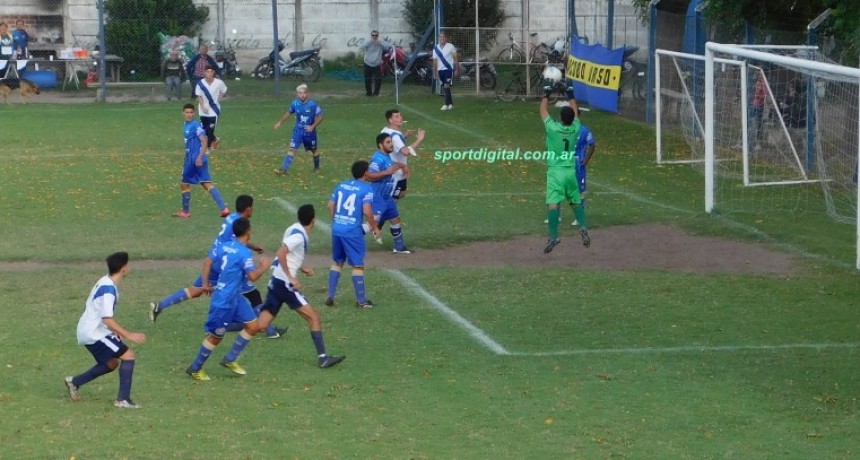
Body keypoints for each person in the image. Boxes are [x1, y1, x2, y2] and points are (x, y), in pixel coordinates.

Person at [150, 194, 285, 338]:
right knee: (254, 295)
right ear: (248, 209)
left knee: (196, 290)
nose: (253, 210)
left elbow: (235, 240)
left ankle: (160, 306)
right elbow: (237, 245)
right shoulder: (240, 222)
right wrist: (262, 265)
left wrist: (252, 246)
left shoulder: (232, 218)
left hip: (216, 259)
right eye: (252, 207)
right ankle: (270, 331)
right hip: (225, 264)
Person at [258, 204, 346, 368]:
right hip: (286, 284)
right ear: (313, 220)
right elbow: (281, 253)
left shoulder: (293, 229)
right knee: (314, 317)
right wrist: (291, 277)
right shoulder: (299, 236)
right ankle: (323, 358)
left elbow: (289, 254)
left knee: (261, 325)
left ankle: (230, 331)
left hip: (276, 281)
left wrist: (302, 267)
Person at [186, 218, 271, 380]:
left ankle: (230, 359)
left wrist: (204, 284)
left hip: (235, 298)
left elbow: (207, 262)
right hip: (223, 301)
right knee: (215, 337)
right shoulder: (244, 253)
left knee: (253, 327)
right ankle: (195, 368)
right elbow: (252, 276)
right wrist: (264, 266)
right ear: (248, 232)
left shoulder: (225, 246)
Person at [65, 252, 146, 409]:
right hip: (93, 332)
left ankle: (74, 382)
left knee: (111, 363)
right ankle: (122, 400)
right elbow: (106, 318)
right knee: (128, 356)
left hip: (90, 329)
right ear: (123, 269)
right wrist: (128, 334)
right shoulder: (108, 289)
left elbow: (101, 313)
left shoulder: (105, 281)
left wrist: (112, 331)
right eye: (127, 265)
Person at [540, 82, 590, 253]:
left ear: (560, 118)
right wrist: (570, 94)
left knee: (553, 204)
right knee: (575, 202)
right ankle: (582, 227)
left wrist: (546, 94)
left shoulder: (553, 129)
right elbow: (576, 113)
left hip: (555, 172)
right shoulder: (576, 128)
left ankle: (554, 237)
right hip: (570, 172)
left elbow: (543, 112)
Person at [325, 160, 382, 308]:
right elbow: (367, 211)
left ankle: (330, 295)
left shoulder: (341, 185)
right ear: (365, 173)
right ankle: (361, 302)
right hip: (352, 232)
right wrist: (375, 227)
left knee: (337, 262)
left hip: (337, 229)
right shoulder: (366, 189)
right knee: (357, 265)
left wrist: (337, 221)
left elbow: (330, 205)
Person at [175, 103, 229, 219]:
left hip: (194, 159)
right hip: (198, 157)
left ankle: (185, 212)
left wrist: (199, 157)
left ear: (194, 113)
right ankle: (224, 208)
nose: (189, 115)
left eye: (191, 112)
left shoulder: (195, 126)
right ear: (183, 113)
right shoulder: (187, 124)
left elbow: (204, 141)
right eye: (187, 112)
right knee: (206, 183)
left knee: (184, 184)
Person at [366, 132, 412, 254]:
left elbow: (391, 164)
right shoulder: (377, 159)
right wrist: (387, 172)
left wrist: (403, 165)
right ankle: (348, 240)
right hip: (378, 197)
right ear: (381, 145)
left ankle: (399, 247)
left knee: (395, 219)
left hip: (387, 197)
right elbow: (369, 176)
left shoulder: (386, 156)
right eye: (388, 142)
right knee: (372, 225)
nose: (391, 144)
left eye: (391, 141)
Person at [273, 84, 325, 174]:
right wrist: (280, 122)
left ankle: (316, 168)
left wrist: (312, 126)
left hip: (309, 133)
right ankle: (283, 170)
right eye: (300, 93)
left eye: (304, 93)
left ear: (307, 93)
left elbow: (320, 116)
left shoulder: (313, 104)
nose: (302, 95)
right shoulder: (295, 103)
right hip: (298, 131)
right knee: (292, 149)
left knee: (314, 150)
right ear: (297, 94)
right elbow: (288, 113)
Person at [381, 109, 425, 201]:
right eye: (396, 116)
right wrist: (419, 139)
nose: (400, 118)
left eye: (400, 116)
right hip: (396, 173)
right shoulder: (395, 136)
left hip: (391, 169)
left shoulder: (386, 131)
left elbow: (392, 144)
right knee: (392, 201)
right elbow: (405, 152)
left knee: (401, 194)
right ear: (390, 120)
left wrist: (404, 137)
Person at [194, 65, 227, 151]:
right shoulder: (200, 84)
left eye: (211, 71)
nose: (209, 73)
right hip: (203, 110)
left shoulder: (219, 82)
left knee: (210, 129)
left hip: (214, 110)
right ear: (204, 72)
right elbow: (198, 96)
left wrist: (220, 96)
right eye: (207, 71)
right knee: (204, 130)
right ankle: (215, 139)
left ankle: (207, 148)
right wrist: (203, 106)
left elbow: (224, 91)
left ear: (213, 73)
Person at [359, 30, 392, 97]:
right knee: (367, 79)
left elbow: (389, 46)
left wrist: (380, 42)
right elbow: (361, 46)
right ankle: (369, 93)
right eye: (373, 35)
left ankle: (376, 94)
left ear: (378, 36)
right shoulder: (368, 43)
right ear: (371, 36)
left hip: (377, 64)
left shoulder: (381, 43)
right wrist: (370, 42)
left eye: (376, 35)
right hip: (367, 63)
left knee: (378, 80)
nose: (374, 37)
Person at [432, 31, 459, 111]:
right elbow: (435, 61)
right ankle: (450, 104)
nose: (442, 38)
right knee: (445, 87)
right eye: (440, 37)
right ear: (439, 38)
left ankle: (445, 104)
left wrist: (457, 69)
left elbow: (455, 59)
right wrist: (435, 72)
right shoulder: (436, 48)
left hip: (448, 69)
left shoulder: (451, 46)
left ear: (446, 38)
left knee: (446, 86)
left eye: (443, 37)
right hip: (440, 70)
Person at [750, 71, 767, 150]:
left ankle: (758, 143)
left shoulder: (763, 83)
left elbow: (764, 95)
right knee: (750, 122)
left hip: (760, 105)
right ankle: (749, 141)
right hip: (754, 105)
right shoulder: (756, 82)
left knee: (758, 124)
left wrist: (758, 96)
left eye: (758, 74)